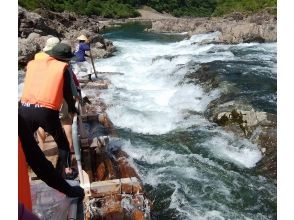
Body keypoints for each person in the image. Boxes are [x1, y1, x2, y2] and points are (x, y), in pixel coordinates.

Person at [19, 42, 78, 178]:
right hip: (46, 112)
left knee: (23, 141)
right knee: (62, 142)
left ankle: (20, 169)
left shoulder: (33, 64)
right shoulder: (62, 68)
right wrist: (72, 108)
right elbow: (67, 94)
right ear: (65, 58)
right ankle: (68, 170)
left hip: (24, 109)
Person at [18, 113, 84, 219]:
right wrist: (69, 190)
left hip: (28, 110)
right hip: (22, 212)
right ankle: (68, 168)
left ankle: (42, 145)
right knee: (62, 141)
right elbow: (38, 163)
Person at [35, 37, 61, 149]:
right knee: (57, 121)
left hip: (36, 91)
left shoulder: (37, 56)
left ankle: (41, 147)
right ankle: (64, 146)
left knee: (40, 123)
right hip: (50, 92)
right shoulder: (56, 59)